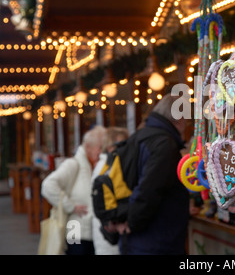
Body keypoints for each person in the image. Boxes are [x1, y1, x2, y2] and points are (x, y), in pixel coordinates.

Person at [114, 94, 190, 255]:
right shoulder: (164, 144)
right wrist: (132, 223)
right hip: (156, 241)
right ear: (179, 119)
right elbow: (149, 190)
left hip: (138, 240)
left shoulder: (139, 136)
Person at [41, 125, 106, 255]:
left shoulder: (94, 165)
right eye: (100, 148)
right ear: (88, 147)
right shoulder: (73, 164)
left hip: (91, 230)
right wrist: (70, 206)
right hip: (74, 226)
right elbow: (48, 185)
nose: (102, 152)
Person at [91, 126, 129, 255]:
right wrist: (114, 222)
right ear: (109, 146)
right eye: (120, 144)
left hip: (109, 229)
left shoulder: (107, 164)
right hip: (111, 229)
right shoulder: (108, 167)